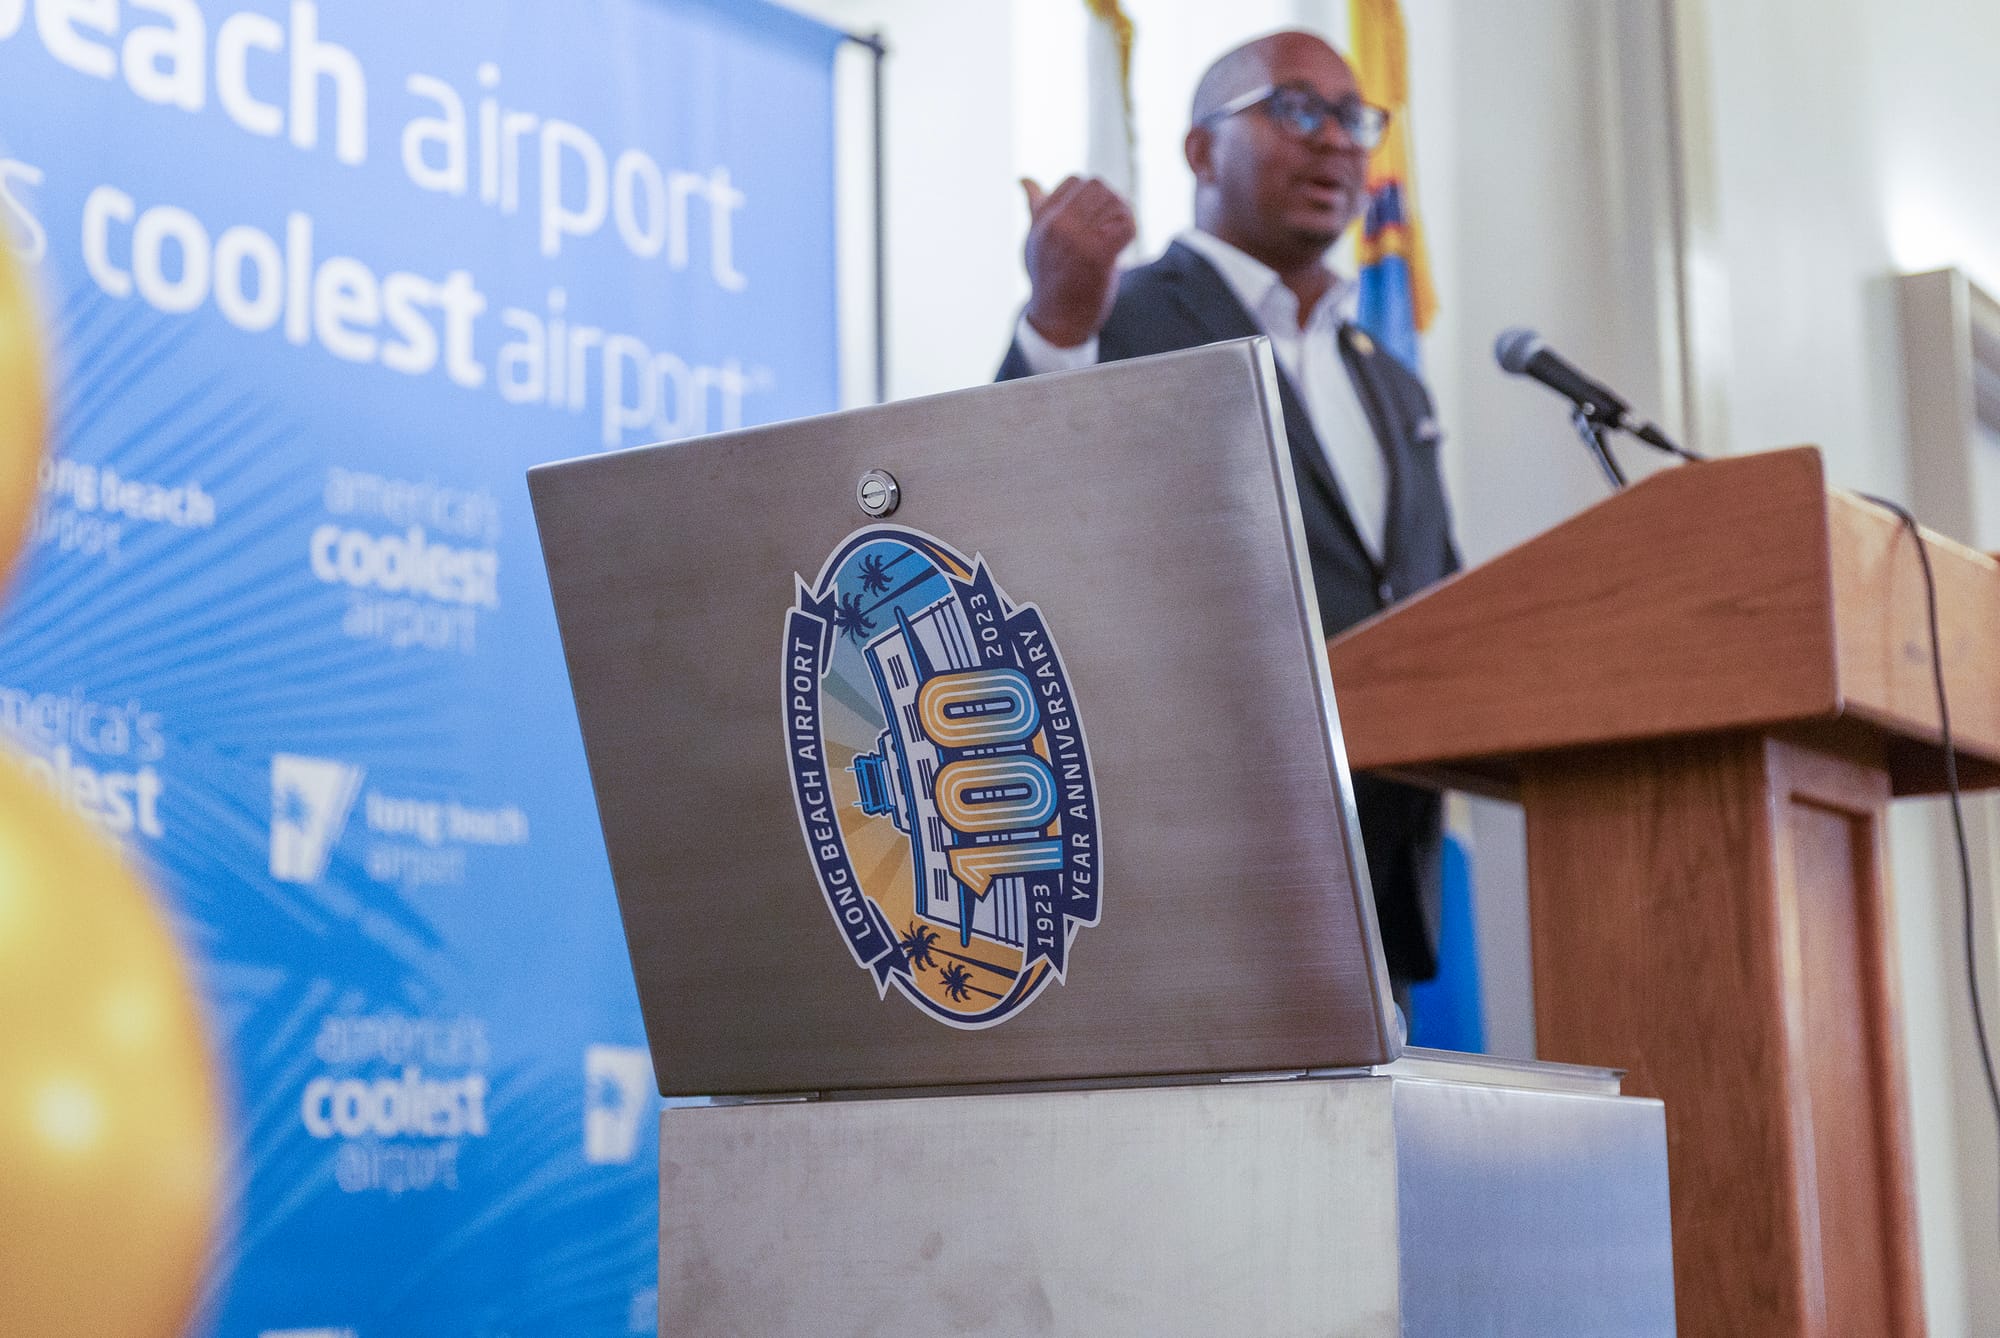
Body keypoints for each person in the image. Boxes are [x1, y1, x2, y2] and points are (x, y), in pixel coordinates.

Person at [998, 29, 1458, 996]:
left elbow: (1442, 602)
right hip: (1196, 872)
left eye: (1354, 118)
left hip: (1378, 890)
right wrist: (1055, 329)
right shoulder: (1121, 317)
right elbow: (1014, 518)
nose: (1336, 141)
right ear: (1201, 150)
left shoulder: (1393, 386)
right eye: (1297, 110)